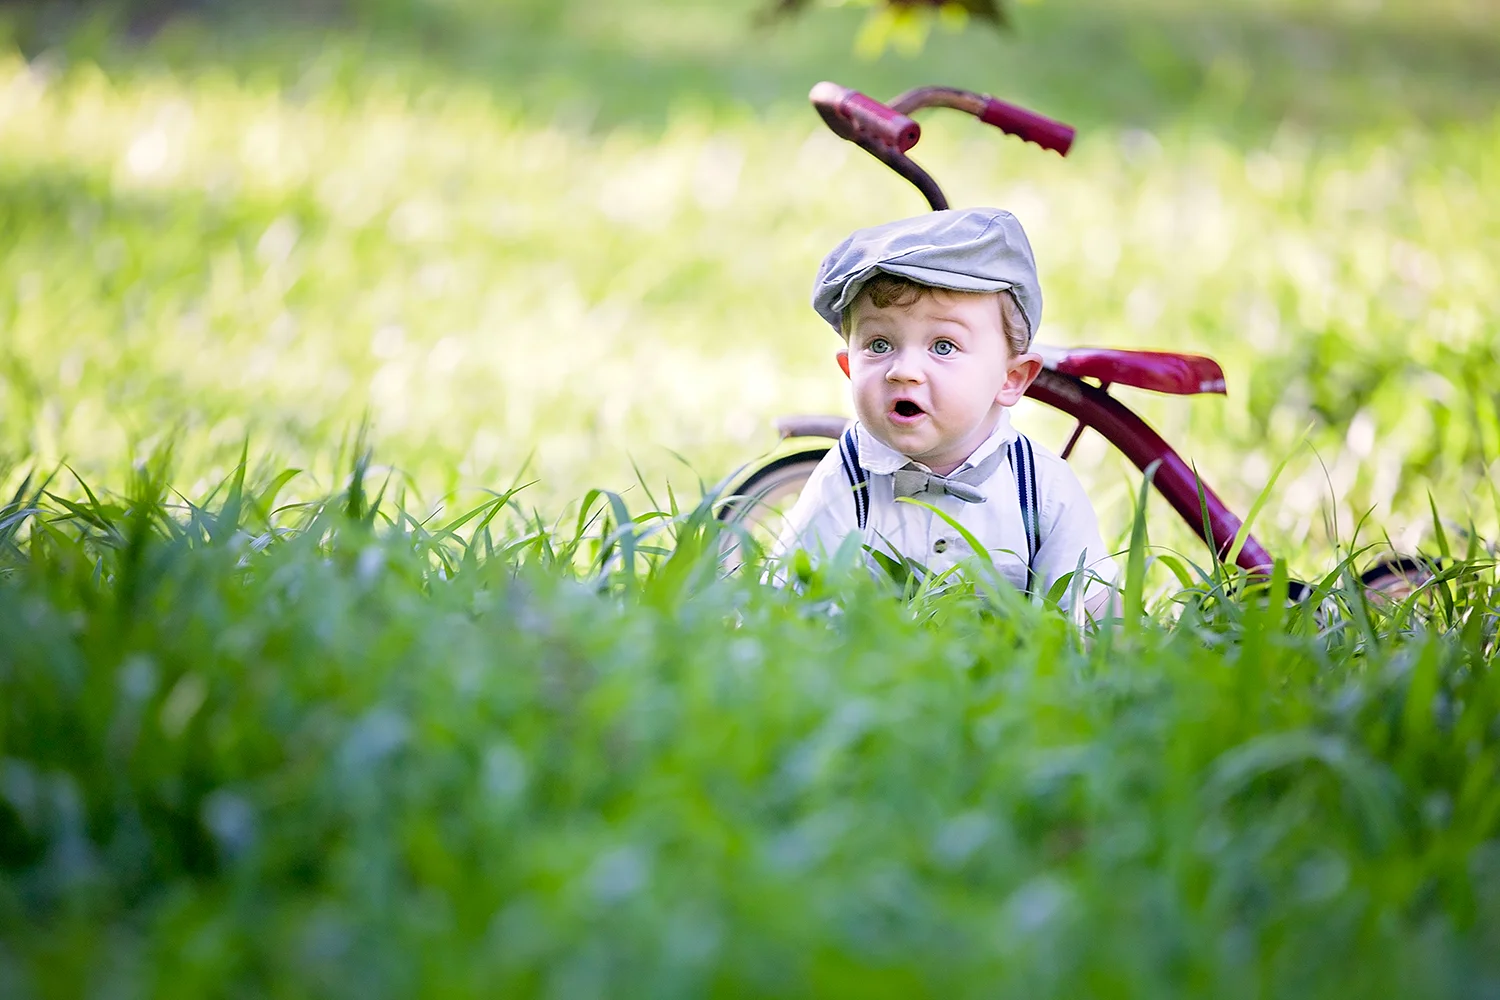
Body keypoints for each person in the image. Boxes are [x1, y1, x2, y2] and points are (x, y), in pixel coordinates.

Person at [771, 206, 1118, 616]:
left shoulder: (1041, 489)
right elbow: (785, 618)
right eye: (879, 344)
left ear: (1011, 379)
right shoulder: (843, 483)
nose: (903, 372)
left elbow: (1095, 624)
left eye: (943, 346)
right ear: (849, 368)